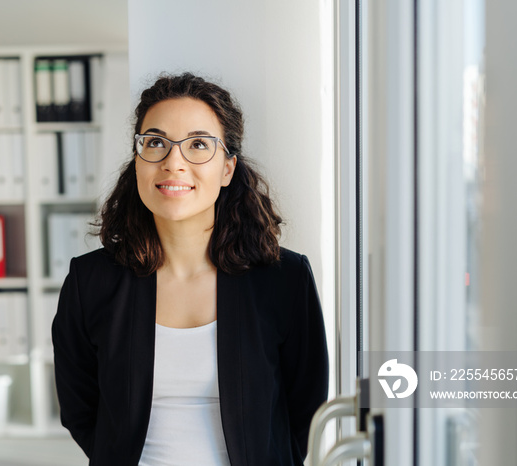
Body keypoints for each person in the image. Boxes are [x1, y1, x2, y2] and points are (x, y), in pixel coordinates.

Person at [52, 72, 328, 466]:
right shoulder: (90, 281)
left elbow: (306, 409)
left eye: (198, 144)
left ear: (228, 168)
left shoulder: (284, 279)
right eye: (156, 143)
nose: (173, 163)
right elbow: (80, 408)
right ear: (137, 161)